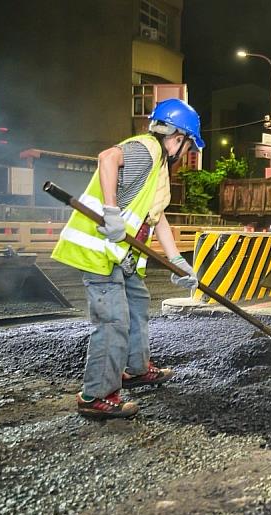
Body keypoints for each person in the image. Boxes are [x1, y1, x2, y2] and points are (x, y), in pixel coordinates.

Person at [51, 98, 204, 419]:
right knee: (113, 321)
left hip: (123, 255)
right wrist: (110, 210)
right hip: (100, 249)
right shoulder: (146, 149)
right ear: (177, 137)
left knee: (137, 303)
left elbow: (156, 216)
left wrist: (176, 259)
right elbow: (107, 158)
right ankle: (97, 395)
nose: (186, 151)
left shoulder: (158, 164)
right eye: (188, 143)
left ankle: (136, 368)